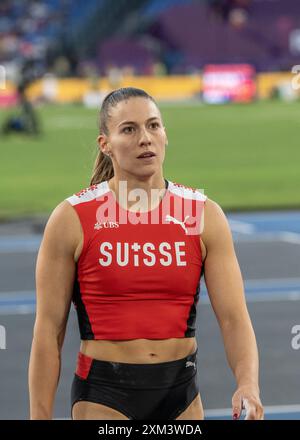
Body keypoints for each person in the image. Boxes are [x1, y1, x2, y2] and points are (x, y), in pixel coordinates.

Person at [28, 87, 264, 420]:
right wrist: (39, 416)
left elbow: (234, 318)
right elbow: (49, 330)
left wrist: (248, 384)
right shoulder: (72, 218)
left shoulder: (203, 214)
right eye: (129, 129)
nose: (145, 138)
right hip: (104, 393)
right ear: (105, 144)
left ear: (165, 135)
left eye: (154, 125)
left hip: (180, 392)